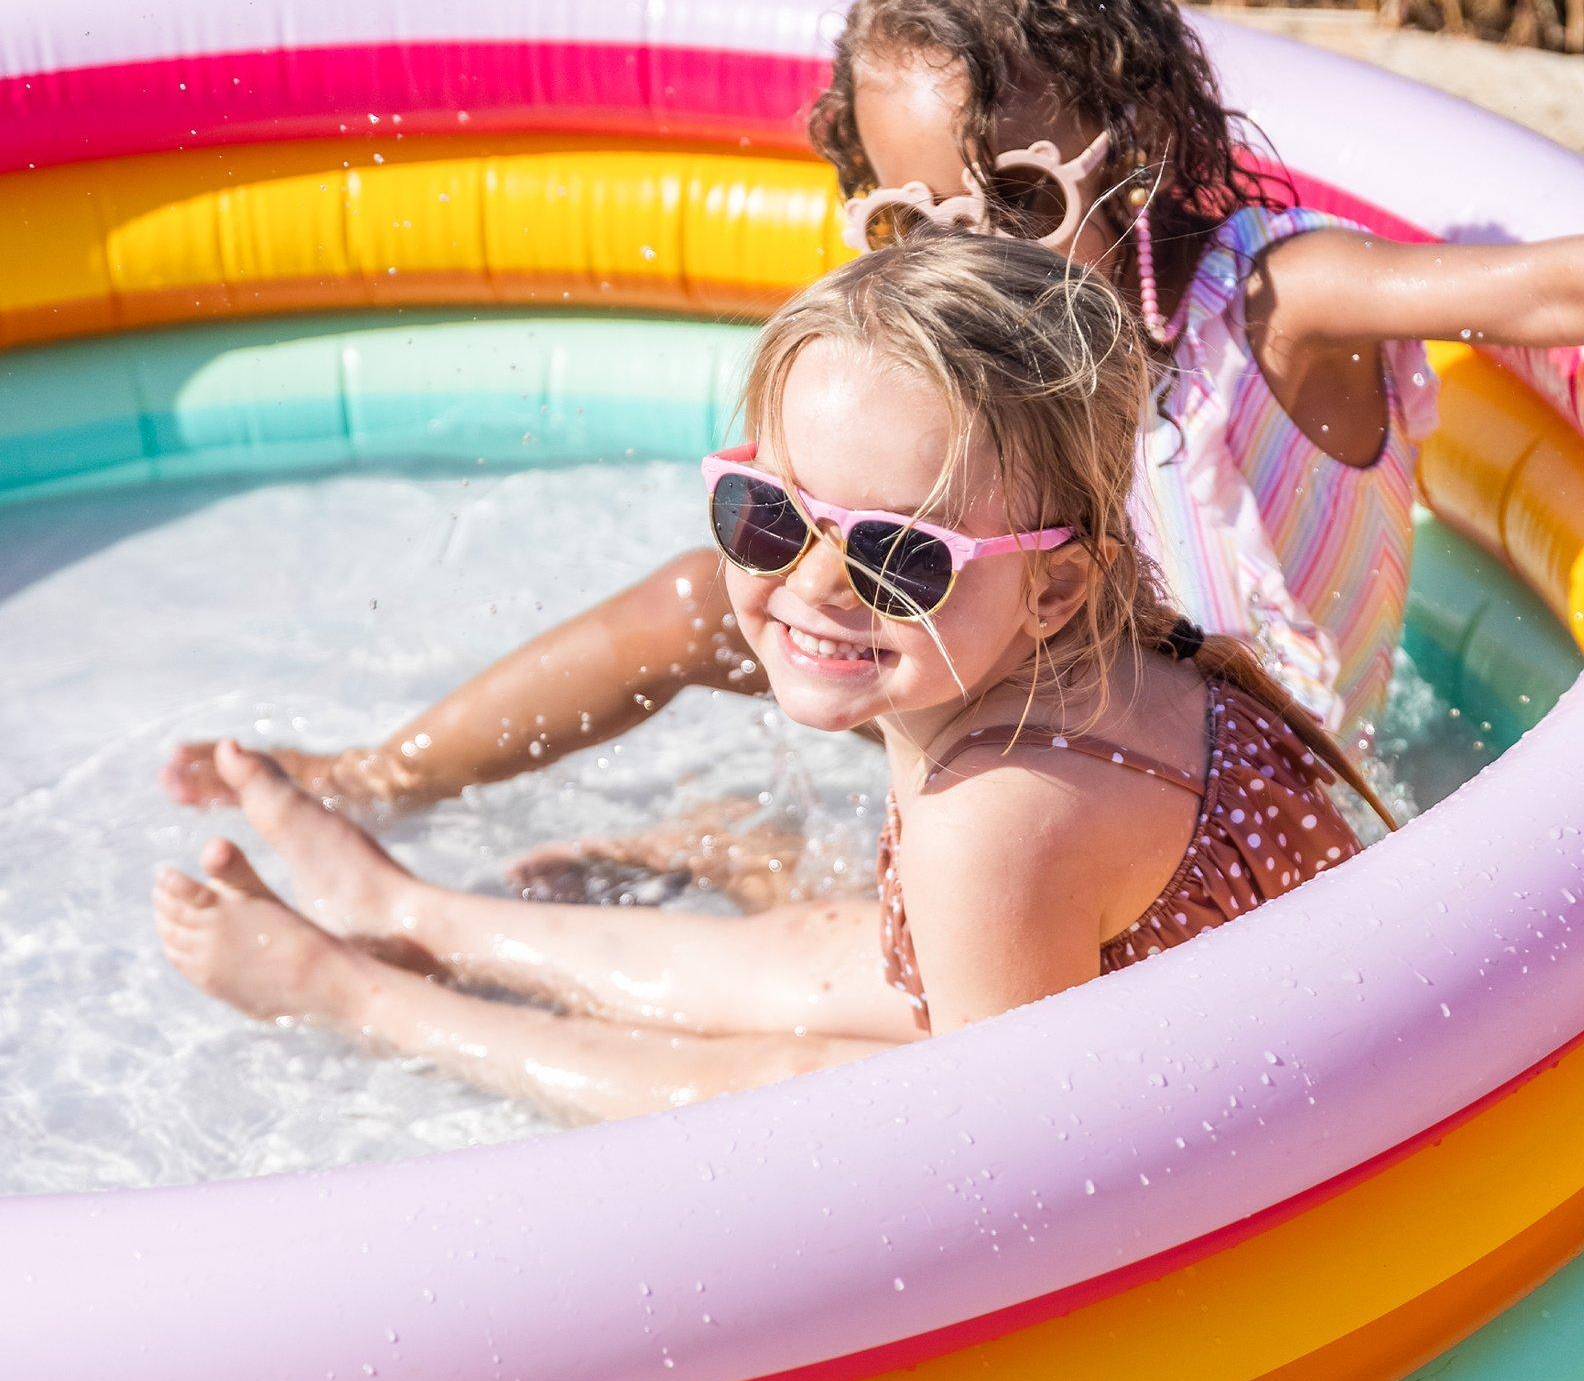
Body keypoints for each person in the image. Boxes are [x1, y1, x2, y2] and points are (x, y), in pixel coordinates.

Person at [157, 0, 1434, 904]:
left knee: (896, 908)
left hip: (1234, 768)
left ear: (1134, 151)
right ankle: (385, 775)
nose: (970, 256)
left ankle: (736, 870)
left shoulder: (1271, 307)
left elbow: (1534, 290)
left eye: (1019, 201)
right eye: (914, 222)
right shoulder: (999, 369)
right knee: (718, 595)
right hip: (1039, 654)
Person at [155, 234, 1376, 1120]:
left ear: (1054, 586)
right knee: (807, 953)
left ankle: (349, 988)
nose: (817, 584)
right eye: (767, 513)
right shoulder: (1087, 659)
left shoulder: (998, 820)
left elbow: (1017, 1169)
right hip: (1118, 1008)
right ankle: (412, 913)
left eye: (903, 556)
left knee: (779, 1087)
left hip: (1223, 1139)